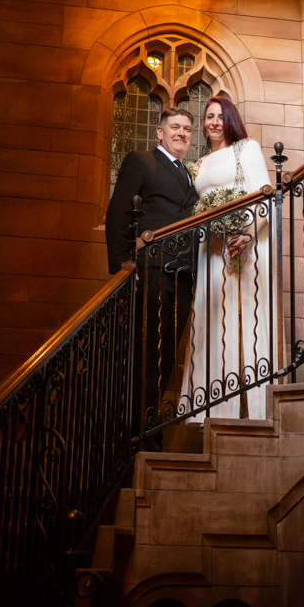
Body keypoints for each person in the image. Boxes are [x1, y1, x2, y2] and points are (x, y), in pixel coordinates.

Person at [106, 107, 198, 447]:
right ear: (159, 133)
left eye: (187, 129)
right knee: (147, 351)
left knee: (167, 350)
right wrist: (122, 269)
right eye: (175, 127)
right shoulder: (141, 161)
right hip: (151, 270)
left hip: (184, 273)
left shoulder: (190, 174)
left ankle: (146, 423)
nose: (181, 133)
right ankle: (137, 429)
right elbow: (117, 214)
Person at [180, 97, 273, 421]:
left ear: (230, 119)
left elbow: (264, 193)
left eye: (220, 116)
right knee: (211, 321)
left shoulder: (246, 148)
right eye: (209, 116)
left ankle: (250, 407)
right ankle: (212, 408)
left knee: (243, 319)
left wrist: (247, 234)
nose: (214, 122)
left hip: (242, 245)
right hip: (211, 250)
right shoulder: (200, 162)